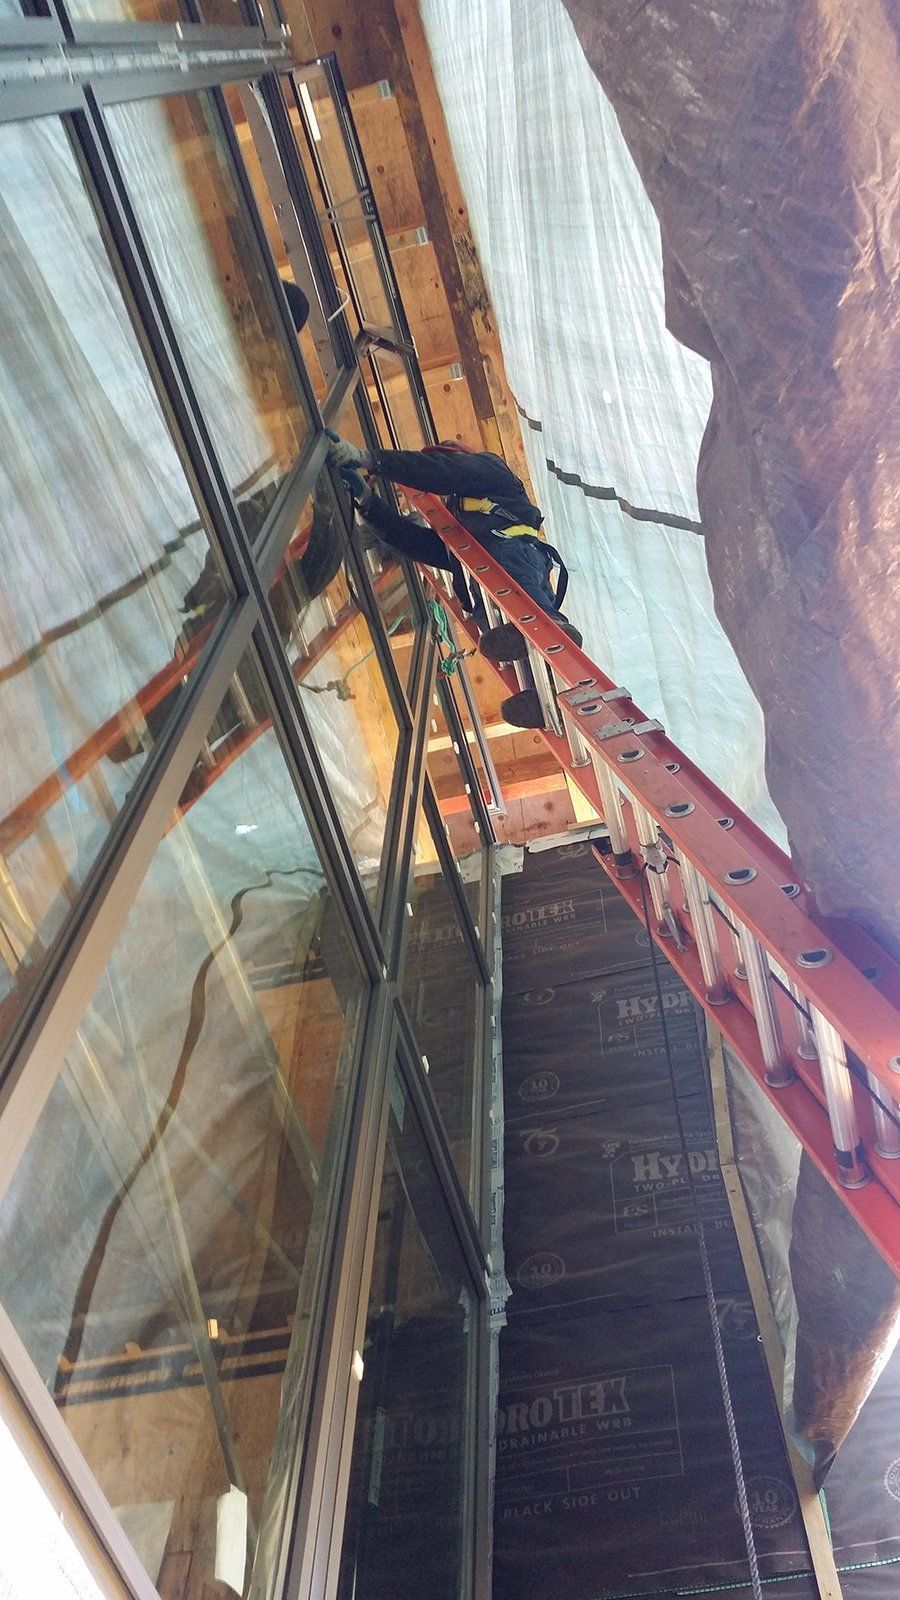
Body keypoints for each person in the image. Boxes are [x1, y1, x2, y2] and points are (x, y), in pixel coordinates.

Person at [326, 433, 582, 683]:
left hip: (513, 550)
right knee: (510, 638)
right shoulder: (461, 531)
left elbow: (441, 472)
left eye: (444, 458)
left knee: (525, 600)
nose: (445, 492)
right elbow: (413, 542)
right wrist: (366, 501)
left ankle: (554, 627)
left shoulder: (491, 469)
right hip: (491, 577)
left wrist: (368, 458)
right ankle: (541, 692)